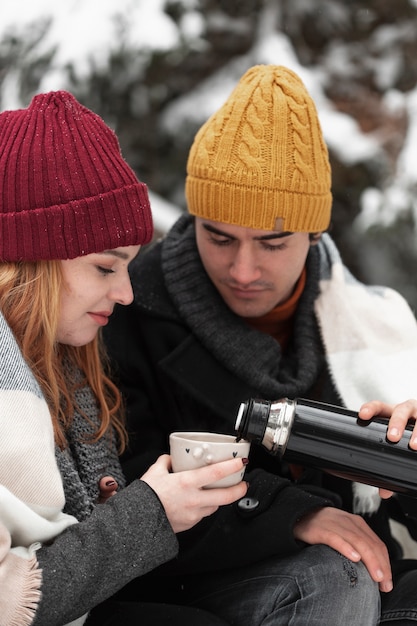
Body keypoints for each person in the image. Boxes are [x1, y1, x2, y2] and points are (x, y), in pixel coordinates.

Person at [104, 65, 417, 625]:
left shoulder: (378, 325)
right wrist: (290, 514)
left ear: (314, 231)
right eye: (218, 236)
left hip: (365, 571)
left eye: (272, 243)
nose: (242, 269)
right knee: (333, 579)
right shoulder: (125, 313)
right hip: (189, 588)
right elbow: (116, 491)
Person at [0, 90, 250, 626]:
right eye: (105, 267)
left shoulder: (63, 365)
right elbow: (9, 599)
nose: (128, 294)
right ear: (32, 261)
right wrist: (149, 513)